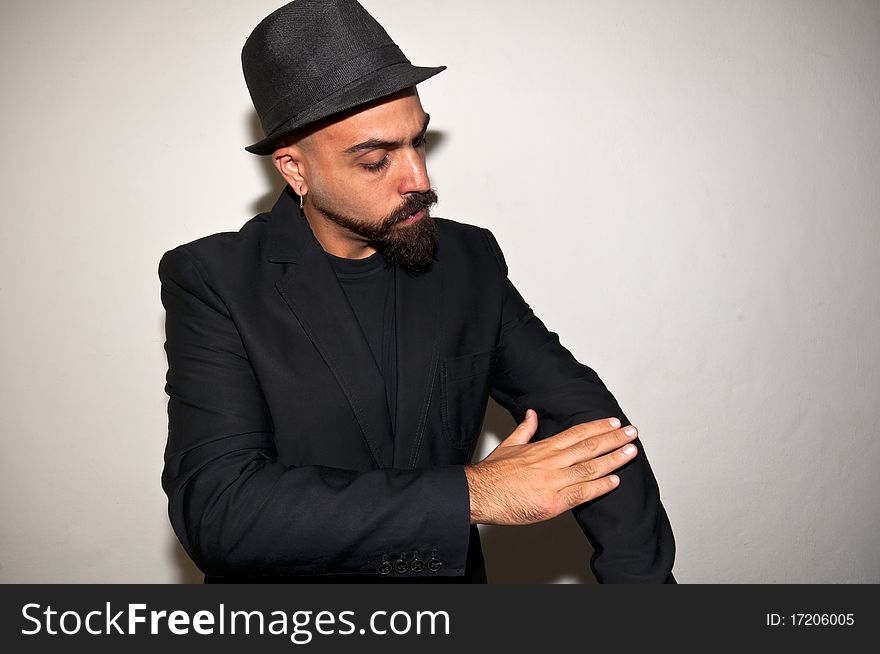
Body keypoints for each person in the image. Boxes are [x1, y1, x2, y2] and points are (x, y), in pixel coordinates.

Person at [158, 0, 676, 583]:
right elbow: (222, 512)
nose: (419, 182)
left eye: (419, 143)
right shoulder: (211, 280)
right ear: (295, 169)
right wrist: (473, 495)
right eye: (376, 161)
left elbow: (589, 424)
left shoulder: (468, 260)